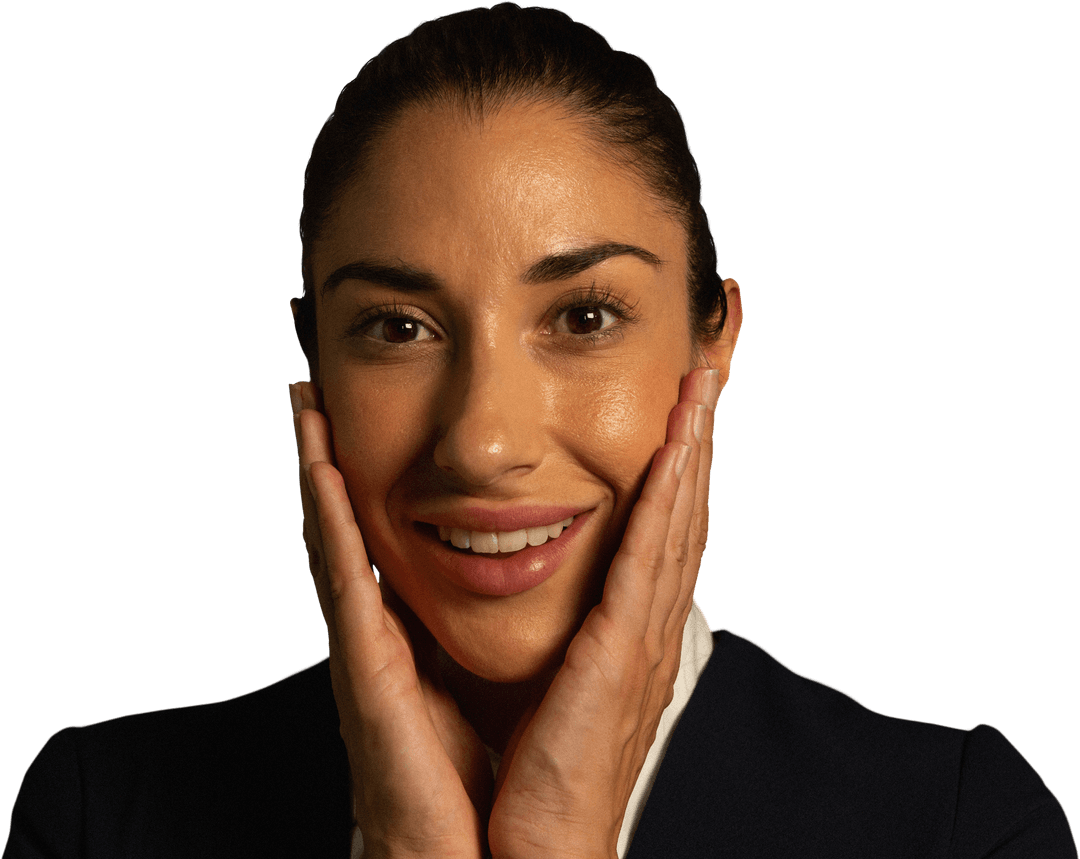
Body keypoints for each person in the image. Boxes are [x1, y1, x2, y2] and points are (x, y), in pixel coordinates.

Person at [4, 4, 1076, 858]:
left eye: (585, 317)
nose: (481, 442)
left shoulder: (959, 827)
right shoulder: (103, 818)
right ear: (315, 363)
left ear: (713, 345)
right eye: (397, 327)